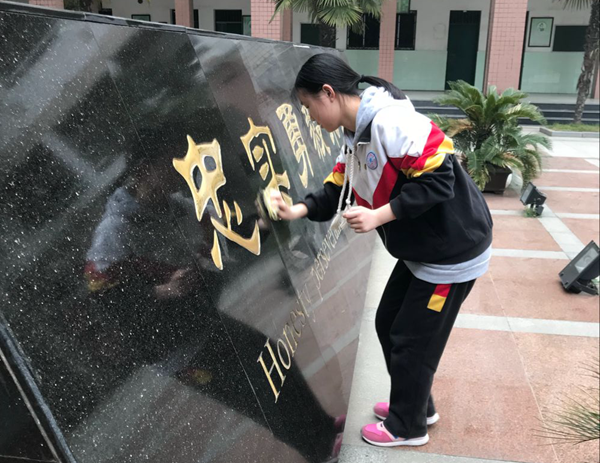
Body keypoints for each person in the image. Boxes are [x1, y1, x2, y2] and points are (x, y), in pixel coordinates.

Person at [271, 53, 493, 448]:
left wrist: (378, 215)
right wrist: (297, 210)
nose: (309, 118)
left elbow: (440, 181)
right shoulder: (354, 136)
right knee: (389, 321)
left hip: (452, 250)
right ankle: (415, 405)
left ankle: (408, 427)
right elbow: (337, 188)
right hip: (426, 249)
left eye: (307, 106)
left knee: (411, 338)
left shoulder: (392, 122)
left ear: (328, 93)